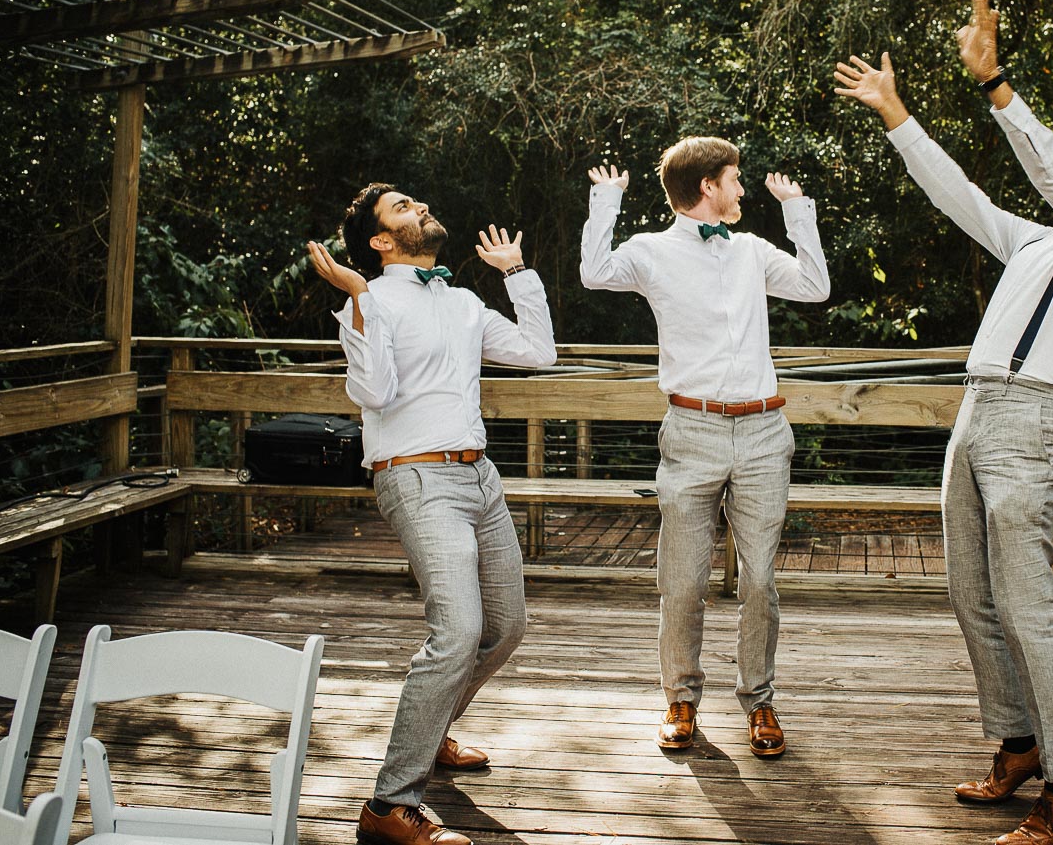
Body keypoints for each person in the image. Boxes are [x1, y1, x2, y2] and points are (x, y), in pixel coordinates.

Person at [834, 0, 1053, 845]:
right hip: (976, 412)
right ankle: (1015, 744)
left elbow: (1052, 173)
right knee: (970, 595)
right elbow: (958, 194)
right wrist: (898, 113)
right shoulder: (1036, 242)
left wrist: (998, 83)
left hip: (1036, 421)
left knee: (1027, 608)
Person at [308, 184, 556, 845]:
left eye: (415, 201)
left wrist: (518, 275)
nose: (418, 208)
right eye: (401, 209)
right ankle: (390, 804)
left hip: (479, 476)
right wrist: (358, 295)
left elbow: (539, 351)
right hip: (416, 477)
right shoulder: (370, 301)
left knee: (506, 625)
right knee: (458, 627)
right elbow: (374, 391)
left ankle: (433, 730)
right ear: (381, 241)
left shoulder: (462, 301)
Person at [579, 139, 830, 756]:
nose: (743, 190)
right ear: (708, 188)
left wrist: (800, 213)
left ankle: (760, 702)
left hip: (765, 432)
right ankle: (681, 699)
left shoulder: (749, 249)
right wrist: (605, 203)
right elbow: (593, 272)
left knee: (761, 582)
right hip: (691, 432)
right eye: (735, 180)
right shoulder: (651, 251)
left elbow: (815, 287)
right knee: (684, 581)